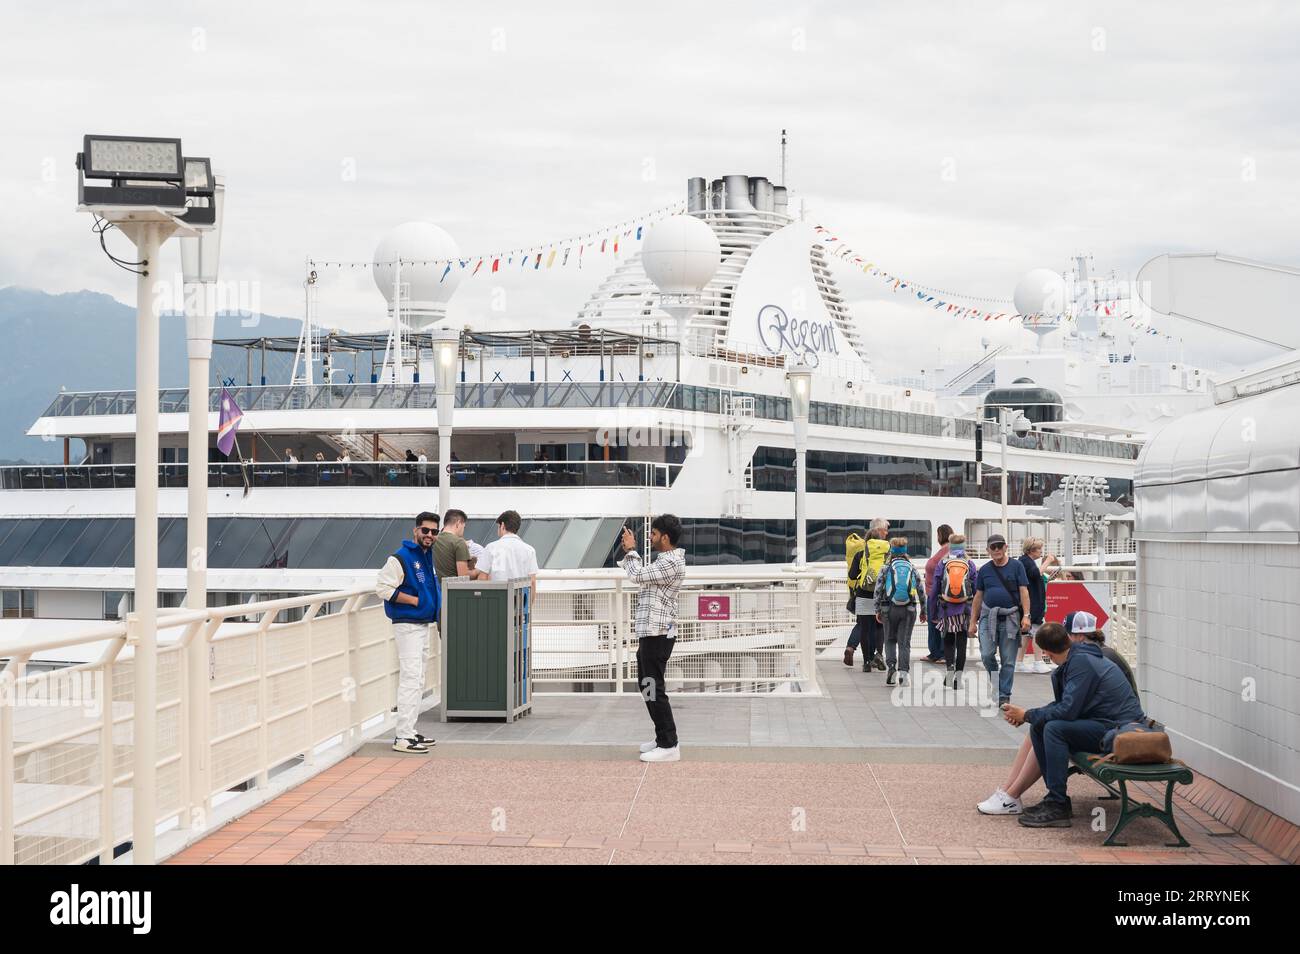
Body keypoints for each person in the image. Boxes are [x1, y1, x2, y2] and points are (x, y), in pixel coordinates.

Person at [1000, 622, 1146, 827]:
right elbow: (1066, 706)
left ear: (1048, 654)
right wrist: (1029, 716)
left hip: (1119, 731)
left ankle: (1057, 803)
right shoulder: (1078, 657)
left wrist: (1027, 715)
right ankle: (1055, 800)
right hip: (1109, 724)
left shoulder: (1080, 663)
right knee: (1042, 725)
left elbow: (1066, 710)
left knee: (1053, 728)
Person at [618, 515, 687, 763]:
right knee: (647, 685)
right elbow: (642, 575)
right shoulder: (664, 561)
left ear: (665, 538)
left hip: (658, 633)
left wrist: (631, 550)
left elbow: (637, 575)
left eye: (654, 534)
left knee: (653, 686)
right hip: (651, 632)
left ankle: (669, 744)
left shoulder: (670, 563)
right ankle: (662, 738)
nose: (651, 538)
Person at [374, 512, 441, 754]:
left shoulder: (426, 556)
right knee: (411, 679)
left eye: (434, 532)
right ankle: (402, 736)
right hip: (408, 624)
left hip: (421, 623)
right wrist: (414, 601)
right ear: (416, 531)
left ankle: (409, 730)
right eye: (426, 531)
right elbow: (382, 587)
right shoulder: (401, 558)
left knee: (418, 679)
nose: (430, 536)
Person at [968, 532, 1030, 706]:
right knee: (987, 655)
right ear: (988, 550)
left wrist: (1026, 616)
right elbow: (978, 596)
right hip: (988, 617)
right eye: (993, 547)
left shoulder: (1017, 566)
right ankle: (996, 685)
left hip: (1011, 617)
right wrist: (973, 622)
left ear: (1005, 547)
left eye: (999, 546)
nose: (996, 550)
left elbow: (1024, 591)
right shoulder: (985, 570)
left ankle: (1004, 694)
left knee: (1008, 661)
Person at [928, 532, 977, 689]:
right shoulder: (969, 563)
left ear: (950, 545)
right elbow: (976, 590)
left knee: (948, 642)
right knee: (962, 642)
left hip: (946, 608)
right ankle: (958, 677)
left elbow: (935, 589)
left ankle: (949, 671)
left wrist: (933, 612)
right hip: (965, 609)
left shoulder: (943, 563)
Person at [874, 537, 926, 686]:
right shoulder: (912, 568)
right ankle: (904, 673)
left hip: (888, 608)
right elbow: (921, 591)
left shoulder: (886, 567)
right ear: (905, 552)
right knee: (904, 643)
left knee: (889, 640)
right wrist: (923, 609)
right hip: (909, 609)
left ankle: (891, 668)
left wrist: (877, 609)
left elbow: (878, 590)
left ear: (892, 551)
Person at [474, 510, 538, 598]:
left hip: (496, 600)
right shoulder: (529, 550)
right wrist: (528, 608)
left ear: (502, 525)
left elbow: (482, 578)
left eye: (498, 526)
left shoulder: (491, 547)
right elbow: (532, 582)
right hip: (519, 602)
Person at [1016, 538, 1050, 674]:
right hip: (1032, 606)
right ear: (1031, 550)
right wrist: (1048, 561)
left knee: (1025, 633)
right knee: (1038, 632)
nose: (1041, 552)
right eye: (1039, 549)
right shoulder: (1026, 562)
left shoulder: (1024, 561)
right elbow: (1035, 574)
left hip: (1030, 604)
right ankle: (1038, 661)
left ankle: (1018, 662)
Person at [920, 524, 953, 664]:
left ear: (940, 535)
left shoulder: (947, 550)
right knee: (936, 623)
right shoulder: (947, 550)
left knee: (938, 624)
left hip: (938, 594)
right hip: (936, 593)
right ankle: (937, 652)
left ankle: (940, 653)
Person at [434, 508, 473, 581]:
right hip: (454, 590)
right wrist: (478, 571)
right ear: (458, 523)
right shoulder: (459, 542)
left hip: (438, 589)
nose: (463, 530)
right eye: (464, 527)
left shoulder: (434, 540)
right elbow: (463, 577)